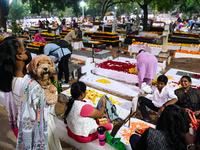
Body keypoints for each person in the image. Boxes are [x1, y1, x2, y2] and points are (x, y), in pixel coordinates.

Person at [0, 36, 32, 137]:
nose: (27, 53)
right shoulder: (23, 83)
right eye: (24, 51)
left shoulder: (11, 77)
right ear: (19, 56)